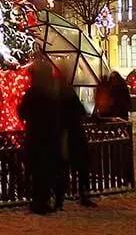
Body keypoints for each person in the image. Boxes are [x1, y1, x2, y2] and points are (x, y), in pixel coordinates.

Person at [17, 56, 60, 214]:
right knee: (45, 172)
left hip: (36, 137)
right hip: (47, 137)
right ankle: (42, 201)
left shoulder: (34, 92)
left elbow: (22, 111)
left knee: (40, 173)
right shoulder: (50, 92)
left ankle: (40, 202)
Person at [55, 75, 96, 209]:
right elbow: (82, 111)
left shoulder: (57, 97)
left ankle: (59, 200)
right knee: (79, 169)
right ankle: (82, 195)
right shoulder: (70, 97)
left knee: (64, 169)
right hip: (74, 136)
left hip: (66, 136)